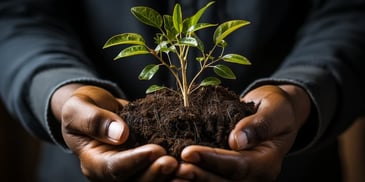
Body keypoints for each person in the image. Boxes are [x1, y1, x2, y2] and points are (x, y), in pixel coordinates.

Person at [0, 0, 365, 181]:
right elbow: (16, 14)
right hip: (84, 169)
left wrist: (301, 94)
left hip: (290, 165)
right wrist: (59, 90)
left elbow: (351, 11)